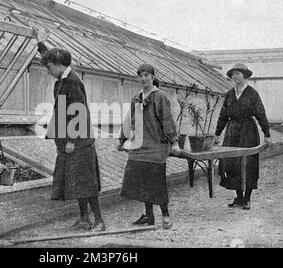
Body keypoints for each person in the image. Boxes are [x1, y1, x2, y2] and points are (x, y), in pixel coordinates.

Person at [33, 28, 105, 232]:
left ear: (57, 65)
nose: (47, 71)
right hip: (69, 141)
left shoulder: (72, 81)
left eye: (48, 67)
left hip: (79, 143)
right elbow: (50, 58)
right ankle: (84, 219)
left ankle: (99, 221)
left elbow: (79, 112)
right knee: (76, 182)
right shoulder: (63, 78)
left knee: (87, 182)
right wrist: (40, 43)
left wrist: (72, 139)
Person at [117, 64, 180, 230]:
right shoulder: (136, 97)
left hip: (157, 146)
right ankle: (149, 216)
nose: (143, 78)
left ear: (152, 76)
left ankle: (165, 215)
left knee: (156, 182)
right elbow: (129, 119)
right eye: (140, 75)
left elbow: (167, 120)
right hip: (139, 146)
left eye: (146, 75)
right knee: (141, 180)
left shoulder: (160, 96)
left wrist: (174, 142)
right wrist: (122, 139)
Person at [214, 63, 273, 210]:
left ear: (245, 75)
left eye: (238, 73)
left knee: (248, 164)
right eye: (233, 74)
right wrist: (217, 134)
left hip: (248, 131)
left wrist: (267, 134)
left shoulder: (252, 94)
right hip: (232, 131)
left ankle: (247, 199)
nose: (235, 76)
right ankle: (239, 197)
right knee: (231, 163)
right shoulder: (229, 94)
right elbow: (222, 116)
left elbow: (261, 114)